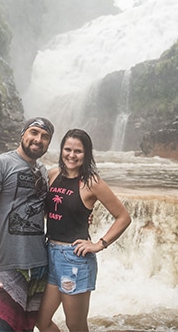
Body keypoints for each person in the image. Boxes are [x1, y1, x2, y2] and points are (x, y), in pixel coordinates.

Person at [36, 129, 132, 332]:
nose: (71, 155)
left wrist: (100, 243)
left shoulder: (92, 182)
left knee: (75, 325)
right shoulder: (53, 175)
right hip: (50, 253)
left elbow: (123, 217)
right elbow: (49, 211)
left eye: (78, 151)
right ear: (61, 150)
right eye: (67, 149)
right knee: (41, 321)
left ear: (86, 154)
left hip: (74, 259)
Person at [0, 117, 55, 332]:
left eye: (45, 137)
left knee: (26, 327)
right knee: (2, 327)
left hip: (39, 266)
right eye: (34, 132)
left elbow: (41, 211)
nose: (38, 139)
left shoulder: (43, 172)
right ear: (23, 134)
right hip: (6, 267)